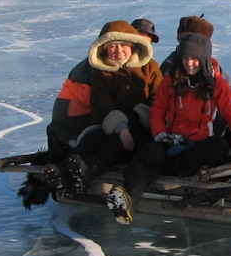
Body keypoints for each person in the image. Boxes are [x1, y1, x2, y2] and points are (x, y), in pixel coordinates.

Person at [107, 33, 231, 224]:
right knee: (149, 151)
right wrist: (161, 136)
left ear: (203, 61)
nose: (189, 63)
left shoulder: (217, 85)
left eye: (194, 59)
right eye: (185, 58)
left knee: (219, 145)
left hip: (195, 155)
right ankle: (128, 199)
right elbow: (157, 112)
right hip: (171, 146)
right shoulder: (170, 82)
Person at [58, 20, 162, 195]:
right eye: (113, 46)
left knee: (116, 143)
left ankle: (89, 171)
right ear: (105, 48)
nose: (118, 51)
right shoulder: (101, 72)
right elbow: (101, 102)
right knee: (93, 137)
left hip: (141, 128)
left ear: (132, 45)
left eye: (123, 45)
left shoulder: (150, 67)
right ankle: (65, 170)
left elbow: (158, 99)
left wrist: (137, 118)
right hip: (111, 125)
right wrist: (119, 126)